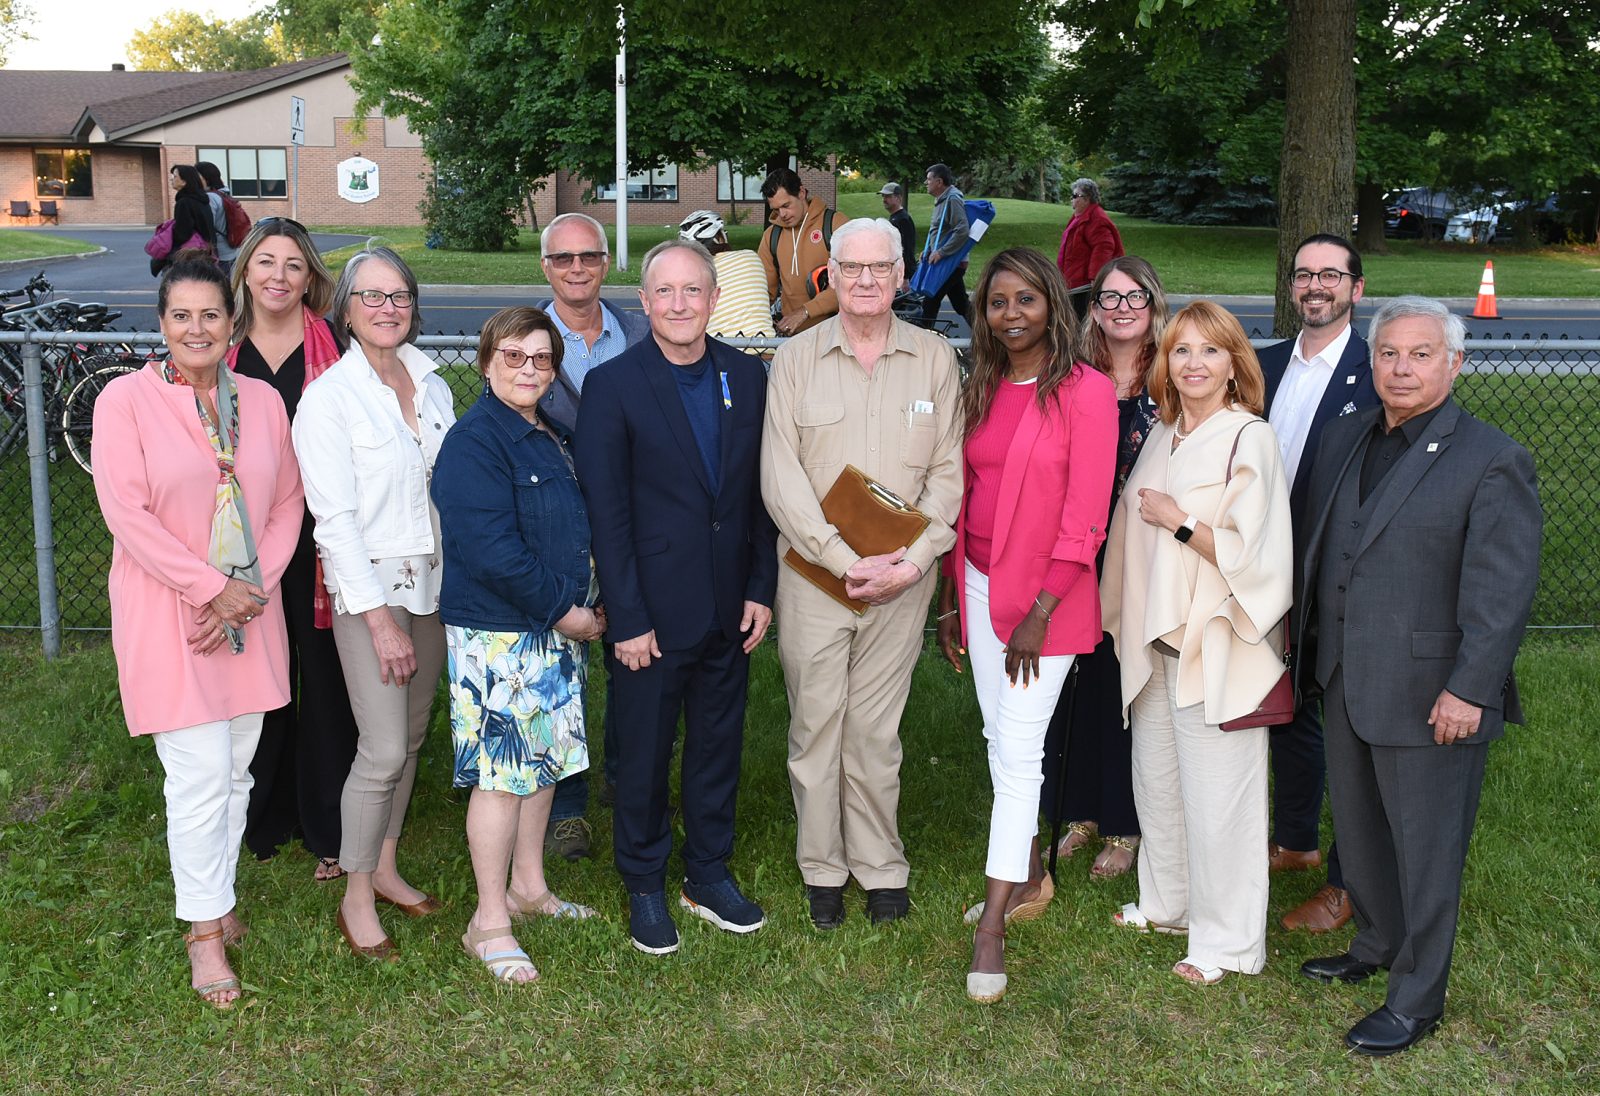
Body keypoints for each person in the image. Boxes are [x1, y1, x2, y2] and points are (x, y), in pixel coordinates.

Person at [1296, 296, 1540, 1056]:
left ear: (1455, 362)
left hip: (1435, 691)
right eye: (1389, 354)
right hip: (1344, 675)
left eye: (1421, 354)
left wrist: (1470, 686)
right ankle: (1375, 945)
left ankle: (1417, 998)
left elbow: (1502, 591)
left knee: (1428, 849)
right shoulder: (1343, 438)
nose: (1401, 368)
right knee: (1363, 832)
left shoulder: (1491, 458)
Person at [91, 253, 305, 1008]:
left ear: (232, 321)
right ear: (161, 324)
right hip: (171, 617)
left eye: (210, 314)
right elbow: (127, 514)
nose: (196, 328)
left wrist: (249, 592)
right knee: (199, 778)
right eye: (181, 315)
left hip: (250, 613)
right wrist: (212, 591)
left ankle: (220, 897)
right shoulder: (125, 402)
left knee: (239, 770)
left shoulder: (264, 404)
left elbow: (286, 505)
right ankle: (204, 934)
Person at [575, 239, 778, 955]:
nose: (680, 304)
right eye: (666, 292)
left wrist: (761, 587)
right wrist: (626, 617)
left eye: (694, 291)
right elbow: (608, 513)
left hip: (730, 607)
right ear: (645, 302)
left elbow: (757, 495)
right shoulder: (615, 385)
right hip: (650, 618)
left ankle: (708, 873)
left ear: (715, 300)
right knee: (645, 751)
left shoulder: (748, 379)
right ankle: (643, 880)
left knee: (717, 747)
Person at [761, 218, 962, 928]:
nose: (868, 280)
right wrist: (845, 560)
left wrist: (911, 560)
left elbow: (949, 472)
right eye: (853, 269)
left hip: (903, 584)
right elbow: (779, 478)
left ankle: (879, 865)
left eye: (882, 268)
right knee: (817, 723)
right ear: (832, 277)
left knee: (875, 730)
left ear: (903, 275)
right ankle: (822, 866)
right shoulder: (796, 359)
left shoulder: (936, 359)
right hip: (817, 577)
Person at [934, 248, 1116, 1002]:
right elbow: (966, 495)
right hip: (977, 584)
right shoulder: (980, 385)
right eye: (998, 301)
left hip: (1048, 599)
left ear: (1054, 307)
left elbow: (1086, 518)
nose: (1012, 314)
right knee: (996, 738)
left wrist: (1041, 612)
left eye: (1027, 300)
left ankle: (993, 926)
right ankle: (1031, 867)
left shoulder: (1086, 391)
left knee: (1017, 749)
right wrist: (953, 598)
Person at [1100, 300, 1293, 986]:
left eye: (1210, 351)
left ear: (1234, 364)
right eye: (1181, 350)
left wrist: (1179, 522)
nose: (1193, 364)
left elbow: (1259, 554)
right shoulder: (1165, 432)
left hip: (1214, 645)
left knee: (1221, 803)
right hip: (1154, 645)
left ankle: (1230, 943)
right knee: (1158, 786)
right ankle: (1168, 902)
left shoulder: (1250, 439)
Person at [292, 246, 456, 960]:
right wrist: (379, 619)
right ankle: (356, 897)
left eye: (399, 296)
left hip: (435, 584)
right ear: (347, 309)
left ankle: (385, 865)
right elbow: (334, 523)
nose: (387, 308)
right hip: (373, 592)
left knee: (414, 737)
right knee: (383, 748)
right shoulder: (329, 398)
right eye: (372, 296)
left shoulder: (433, 381)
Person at [433, 307, 604, 984]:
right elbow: (491, 550)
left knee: (545, 764)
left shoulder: (551, 433)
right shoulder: (475, 443)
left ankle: (529, 889)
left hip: (553, 632)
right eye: (513, 356)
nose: (529, 369)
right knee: (503, 778)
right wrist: (566, 611)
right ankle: (487, 921)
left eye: (541, 358)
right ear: (485, 361)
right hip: (501, 635)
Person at [227, 217, 360, 882]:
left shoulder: (336, 346)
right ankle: (262, 814)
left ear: (311, 277)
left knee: (326, 677)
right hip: (242, 541)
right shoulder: (217, 345)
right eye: (266, 262)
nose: (278, 277)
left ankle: (328, 825)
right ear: (246, 269)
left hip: (322, 537)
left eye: (293, 266)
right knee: (259, 677)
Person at [1258, 233, 1379, 933]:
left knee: (1353, 729)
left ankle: (1348, 883)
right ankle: (1297, 841)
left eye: (1330, 275)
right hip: (1271, 570)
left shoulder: (1378, 369)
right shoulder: (1265, 365)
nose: (1316, 286)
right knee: (1293, 706)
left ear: (1356, 289)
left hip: (1343, 580)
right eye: (1304, 275)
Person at [1042, 256, 1170, 880]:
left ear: (1153, 303)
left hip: (1144, 553)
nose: (1121, 308)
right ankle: (1079, 811)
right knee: (1076, 684)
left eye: (1134, 296)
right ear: (1092, 309)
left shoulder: (1173, 380)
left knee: (1129, 684)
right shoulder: (1072, 376)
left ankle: (1126, 822)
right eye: (1108, 298)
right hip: (1076, 548)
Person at [534, 211, 650, 860]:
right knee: (563, 672)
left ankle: (627, 780)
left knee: (636, 662)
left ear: (607, 263)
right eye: (562, 258)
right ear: (544, 267)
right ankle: (568, 808)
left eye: (589, 256)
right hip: (561, 529)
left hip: (634, 527)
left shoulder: (639, 332)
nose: (576, 268)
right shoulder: (523, 339)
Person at [759, 167, 849, 336]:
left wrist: (806, 311)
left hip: (837, 334)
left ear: (801, 192)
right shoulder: (772, 236)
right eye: (776, 209)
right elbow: (763, 291)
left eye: (786, 205)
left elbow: (851, 283)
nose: (782, 214)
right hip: (792, 338)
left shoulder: (835, 225)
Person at [679, 209, 776, 349]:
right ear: (719, 238)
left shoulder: (692, 275)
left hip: (719, 354)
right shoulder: (751, 257)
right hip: (765, 351)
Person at [1056, 178, 1125, 319]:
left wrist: (1095, 277)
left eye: (1075, 196)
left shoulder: (1096, 218)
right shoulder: (1080, 217)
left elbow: (1104, 247)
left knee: (1081, 319)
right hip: (1074, 280)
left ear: (1086, 199)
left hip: (1085, 285)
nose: (1072, 200)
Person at [919, 164, 971, 324]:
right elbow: (939, 230)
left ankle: (924, 346)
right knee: (961, 304)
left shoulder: (952, 200)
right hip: (948, 262)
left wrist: (941, 252)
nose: (925, 182)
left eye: (929, 179)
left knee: (930, 300)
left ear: (939, 182)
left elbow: (962, 230)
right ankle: (988, 338)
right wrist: (927, 249)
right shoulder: (941, 200)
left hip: (951, 262)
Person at [153, 164, 216, 277]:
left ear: (185, 181)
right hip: (204, 251)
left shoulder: (184, 202)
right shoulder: (202, 200)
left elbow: (182, 233)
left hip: (187, 255)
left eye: (175, 176)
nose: (172, 178)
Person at [195, 161, 240, 278]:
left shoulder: (210, 198)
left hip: (220, 254)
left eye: (197, 176)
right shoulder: (224, 193)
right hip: (232, 250)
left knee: (221, 290)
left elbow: (207, 225)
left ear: (205, 179)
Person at [878, 182, 918, 284]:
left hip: (903, 275)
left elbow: (906, 249)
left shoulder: (903, 219)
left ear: (898, 198)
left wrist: (905, 277)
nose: (884, 199)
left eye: (888, 196)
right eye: (883, 196)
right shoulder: (895, 217)